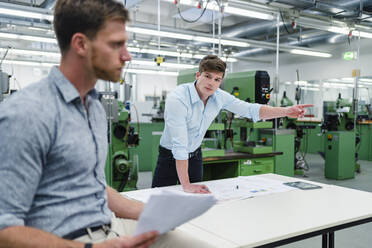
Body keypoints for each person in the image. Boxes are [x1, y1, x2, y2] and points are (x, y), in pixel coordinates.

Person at [0, 1, 213, 248]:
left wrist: (151, 213)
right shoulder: (27, 113)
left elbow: (95, 186)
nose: (127, 55)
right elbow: (5, 229)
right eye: (116, 45)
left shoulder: (93, 109)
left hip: (107, 227)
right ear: (80, 44)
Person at [152, 55, 312, 194]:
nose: (211, 83)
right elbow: (179, 146)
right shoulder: (178, 98)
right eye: (207, 76)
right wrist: (186, 185)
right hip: (170, 157)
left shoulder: (219, 96)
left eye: (217, 79)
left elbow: (251, 110)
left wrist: (286, 111)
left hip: (194, 156)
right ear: (197, 75)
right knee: (157, 202)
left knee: (193, 203)